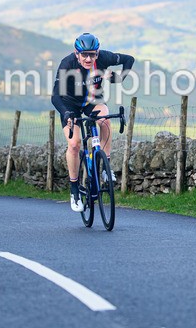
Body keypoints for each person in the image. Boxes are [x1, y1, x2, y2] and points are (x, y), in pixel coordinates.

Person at [51, 33, 135, 212]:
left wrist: (119, 78)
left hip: (92, 101)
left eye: (92, 54)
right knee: (74, 144)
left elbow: (129, 59)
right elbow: (55, 96)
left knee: (104, 120)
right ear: (77, 53)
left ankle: (105, 166)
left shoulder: (104, 57)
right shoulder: (67, 65)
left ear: (97, 52)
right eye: (84, 55)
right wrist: (66, 114)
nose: (89, 58)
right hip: (69, 105)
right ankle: (74, 189)